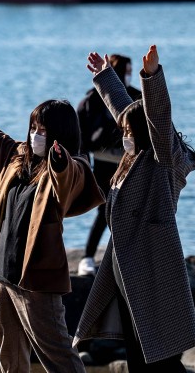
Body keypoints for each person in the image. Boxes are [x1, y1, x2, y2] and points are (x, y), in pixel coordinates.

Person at [0, 93, 104, 373]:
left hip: (37, 281)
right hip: (1, 275)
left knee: (59, 356)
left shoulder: (73, 166)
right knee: (10, 358)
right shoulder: (16, 158)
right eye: (34, 128)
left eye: (44, 130)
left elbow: (70, 178)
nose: (36, 135)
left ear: (60, 134)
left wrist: (60, 163)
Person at [73, 45, 195, 372]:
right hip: (126, 266)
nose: (124, 139)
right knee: (138, 354)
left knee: (162, 360)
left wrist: (151, 78)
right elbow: (127, 113)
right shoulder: (134, 160)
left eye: (128, 135)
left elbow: (157, 119)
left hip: (151, 265)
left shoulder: (162, 161)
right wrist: (105, 78)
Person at [75, 54, 141, 277]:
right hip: (103, 163)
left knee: (128, 212)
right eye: (127, 70)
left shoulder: (137, 98)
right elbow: (80, 135)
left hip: (130, 163)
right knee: (104, 211)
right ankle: (87, 257)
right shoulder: (93, 100)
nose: (130, 75)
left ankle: (126, 258)